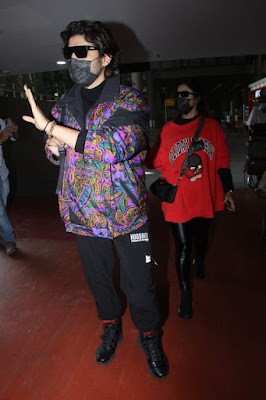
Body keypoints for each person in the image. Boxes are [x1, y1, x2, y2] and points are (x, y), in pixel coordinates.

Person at [22, 20, 168, 379]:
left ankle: (149, 335)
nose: (74, 59)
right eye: (69, 52)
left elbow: (111, 147)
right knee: (99, 279)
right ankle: (111, 326)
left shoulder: (129, 99)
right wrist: (52, 146)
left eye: (82, 51)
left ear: (105, 58)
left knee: (140, 283)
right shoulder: (66, 104)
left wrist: (50, 130)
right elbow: (57, 153)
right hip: (82, 212)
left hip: (126, 214)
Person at [145, 79, 235, 319]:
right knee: (183, 246)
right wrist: (141, 147)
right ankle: (186, 293)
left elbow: (223, 161)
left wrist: (228, 190)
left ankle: (200, 259)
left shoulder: (212, 127)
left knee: (201, 240)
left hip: (204, 197)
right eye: (178, 94)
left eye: (186, 94)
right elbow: (155, 160)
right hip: (178, 200)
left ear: (197, 99)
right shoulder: (168, 130)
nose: (181, 98)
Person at [0, 118, 18, 255]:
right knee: (0, 211)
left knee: (2, 208)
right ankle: (9, 239)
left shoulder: (1, 121)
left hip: (2, 173)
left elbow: (14, 138)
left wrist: (14, 131)